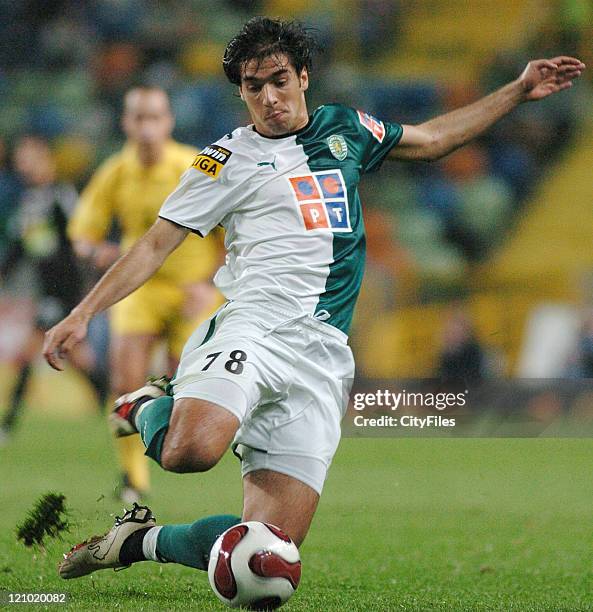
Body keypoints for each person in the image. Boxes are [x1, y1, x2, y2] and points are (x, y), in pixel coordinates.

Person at [43, 17, 584, 580]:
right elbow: (156, 243)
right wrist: (82, 314)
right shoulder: (222, 160)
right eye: (254, 87)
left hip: (323, 355)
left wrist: (518, 89)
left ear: (304, 76)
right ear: (241, 93)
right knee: (189, 452)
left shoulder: (346, 129)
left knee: (271, 549)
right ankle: (146, 405)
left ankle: (137, 542)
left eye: (279, 79)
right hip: (253, 327)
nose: (269, 97)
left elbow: (434, 140)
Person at [68, 86, 223, 502]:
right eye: (139, 118)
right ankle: (133, 479)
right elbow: (83, 230)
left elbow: (231, 230)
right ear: (126, 123)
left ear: (169, 122)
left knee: (184, 384)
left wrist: (210, 283)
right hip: (141, 288)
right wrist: (95, 249)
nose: (147, 127)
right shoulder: (116, 171)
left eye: (155, 117)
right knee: (124, 378)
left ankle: (183, 436)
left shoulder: (194, 165)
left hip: (194, 290)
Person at [0, 136, 107, 443]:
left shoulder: (60, 195)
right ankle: (111, 406)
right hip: (48, 291)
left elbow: (79, 238)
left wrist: (84, 290)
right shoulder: (28, 201)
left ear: (45, 159)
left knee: (30, 353)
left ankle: (8, 423)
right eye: (21, 159)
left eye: (30, 158)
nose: (24, 165)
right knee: (76, 358)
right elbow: (22, 247)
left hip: (67, 291)